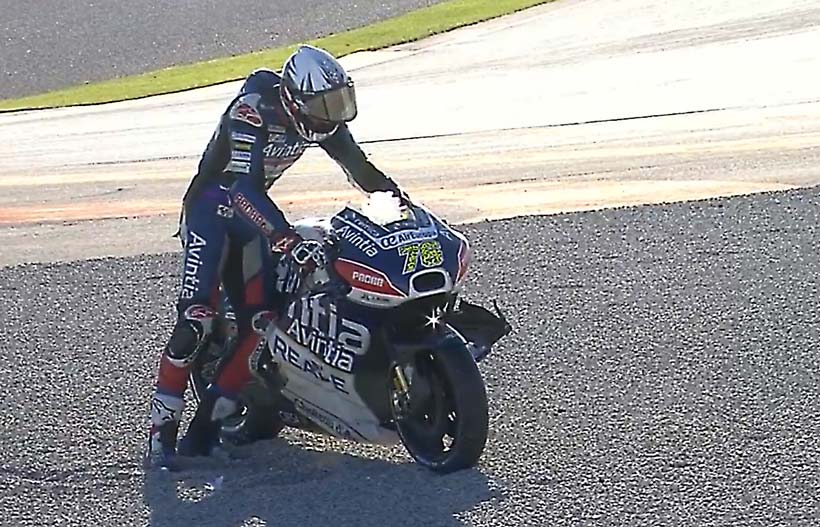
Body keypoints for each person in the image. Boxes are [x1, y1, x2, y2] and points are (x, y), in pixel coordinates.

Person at [146, 44, 407, 469]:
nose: (331, 116)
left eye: (338, 103)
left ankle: (205, 430)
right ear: (293, 98)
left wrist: (400, 205)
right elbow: (241, 187)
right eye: (322, 106)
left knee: (262, 323)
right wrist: (285, 238)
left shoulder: (321, 122)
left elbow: (360, 169)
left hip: (251, 218)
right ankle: (161, 434)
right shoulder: (251, 111)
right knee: (196, 320)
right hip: (212, 210)